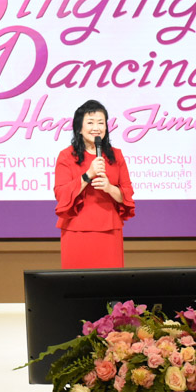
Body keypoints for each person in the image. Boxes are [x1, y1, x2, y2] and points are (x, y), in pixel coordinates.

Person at [54, 100, 135, 268]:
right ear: (79, 128)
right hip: (76, 230)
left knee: (109, 281)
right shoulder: (66, 156)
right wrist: (88, 175)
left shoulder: (116, 155)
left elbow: (127, 194)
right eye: (90, 123)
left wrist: (109, 188)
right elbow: (61, 194)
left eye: (101, 123)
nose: (96, 128)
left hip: (109, 231)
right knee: (78, 280)